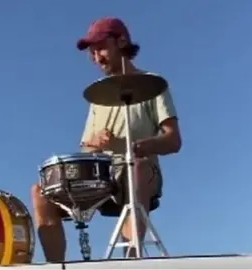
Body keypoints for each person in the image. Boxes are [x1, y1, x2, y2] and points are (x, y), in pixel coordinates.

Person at [31, 17, 182, 262]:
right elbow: (85, 147)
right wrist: (94, 142)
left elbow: (173, 140)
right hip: (102, 176)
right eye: (92, 53)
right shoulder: (97, 96)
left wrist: (142, 146)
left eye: (101, 48)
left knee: (138, 169)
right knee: (40, 191)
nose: (96, 57)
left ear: (121, 41)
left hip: (141, 170)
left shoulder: (153, 85)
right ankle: (56, 265)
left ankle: (131, 260)